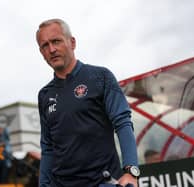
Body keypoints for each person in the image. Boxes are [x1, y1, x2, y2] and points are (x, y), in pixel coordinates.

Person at [36, 18, 140, 187]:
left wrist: (131, 171)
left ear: (72, 42)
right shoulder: (44, 95)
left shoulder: (100, 77)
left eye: (56, 41)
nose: (52, 49)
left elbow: (123, 123)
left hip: (104, 182)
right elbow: (47, 147)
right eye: (45, 46)